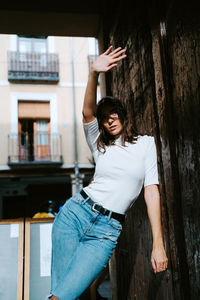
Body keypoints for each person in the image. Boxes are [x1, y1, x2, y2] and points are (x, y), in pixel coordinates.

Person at [48, 46, 168, 300]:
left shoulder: (145, 144)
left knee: (64, 295)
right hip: (74, 215)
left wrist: (158, 243)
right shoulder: (99, 143)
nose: (110, 120)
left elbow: (151, 191)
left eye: (114, 114)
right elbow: (86, 112)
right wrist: (93, 73)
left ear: (123, 115)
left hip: (106, 230)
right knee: (62, 296)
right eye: (104, 117)